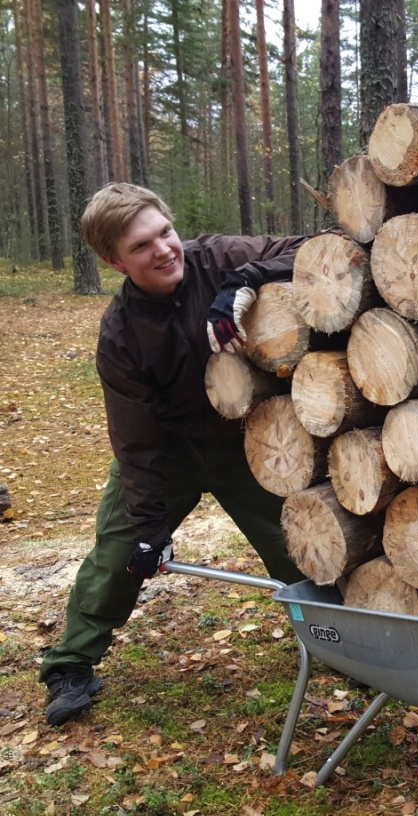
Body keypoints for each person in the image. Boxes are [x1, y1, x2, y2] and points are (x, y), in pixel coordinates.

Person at [39, 182, 308, 726]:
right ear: (113, 260)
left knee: (300, 547)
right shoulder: (120, 334)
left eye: (164, 232)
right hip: (168, 450)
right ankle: (71, 665)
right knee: (119, 555)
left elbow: (320, 245)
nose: (162, 250)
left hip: (246, 443)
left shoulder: (218, 257)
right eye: (141, 247)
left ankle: (345, 642)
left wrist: (246, 278)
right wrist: (148, 527)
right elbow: (135, 440)